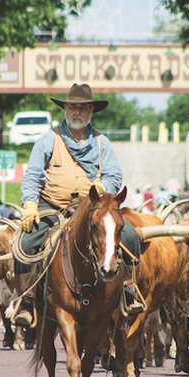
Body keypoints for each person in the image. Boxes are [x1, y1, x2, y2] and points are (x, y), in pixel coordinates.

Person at [12, 83, 145, 328]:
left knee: (130, 237)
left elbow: (114, 176)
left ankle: (128, 289)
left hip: (92, 209)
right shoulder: (48, 139)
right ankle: (26, 300)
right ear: (65, 109)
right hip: (52, 206)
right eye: (72, 107)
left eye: (82, 108)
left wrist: (102, 189)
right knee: (26, 242)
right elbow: (33, 175)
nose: (77, 112)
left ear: (91, 110)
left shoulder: (102, 143)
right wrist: (30, 204)